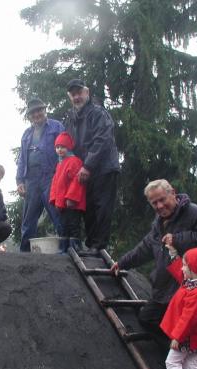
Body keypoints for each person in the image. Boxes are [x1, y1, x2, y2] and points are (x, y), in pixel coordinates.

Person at [110, 179, 197, 369]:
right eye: (154, 203)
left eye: (162, 200)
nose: (160, 206)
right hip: (165, 288)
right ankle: (179, 355)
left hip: (191, 288)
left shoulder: (193, 214)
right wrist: (122, 263)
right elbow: (146, 247)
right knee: (148, 318)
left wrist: (179, 240)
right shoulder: (158, 223)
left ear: (173, 193)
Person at [63, 79, 120, 251]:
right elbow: (68, 144)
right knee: (87, 208)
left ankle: (99, 246)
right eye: (73, 94)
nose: (77, 97)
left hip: (104, 168)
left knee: (101, 207)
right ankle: (90, 245)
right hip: (83, 170)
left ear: (87, 93)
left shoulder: (98, 113)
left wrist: (87, 166)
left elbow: (102, 140)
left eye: (79, 93)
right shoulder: (71, 118)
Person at [16, 98, 65, 252]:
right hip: (31, 179)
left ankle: (68, 249)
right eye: (33, 112)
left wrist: (62, 174)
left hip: (51, 176)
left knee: (57, 212)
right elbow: (22, 158)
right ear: (29, 116)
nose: (36, 114)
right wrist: (19, 181)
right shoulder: (26, 134)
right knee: (29, 218)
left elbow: (65, 150)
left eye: (39, 110)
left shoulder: (57, 126)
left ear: (45, 110)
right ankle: (24, 252)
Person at [48, 131, 86, 253]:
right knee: (63, 226)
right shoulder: (59, 164)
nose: (59, 150)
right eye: (57, 147)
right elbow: (55, 183)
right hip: (62, 204)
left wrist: (71, 198)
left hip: (72, 203)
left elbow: (77, 181)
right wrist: (54, 199)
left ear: (69, 147)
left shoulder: (74, 161)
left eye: (62, 147)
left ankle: (75, 248)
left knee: (73, 225)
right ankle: (64, 248)